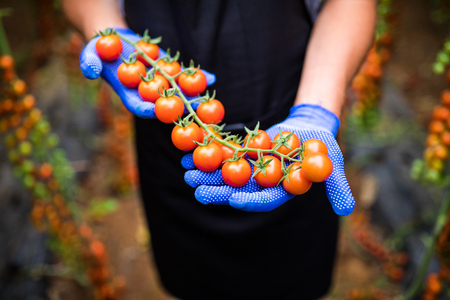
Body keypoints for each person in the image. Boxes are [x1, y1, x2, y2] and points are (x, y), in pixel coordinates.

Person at [62, 1, 376, 299]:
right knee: (191, 279)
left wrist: (316, 110)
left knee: (292, 279)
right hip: (168, 133)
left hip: (292, 121)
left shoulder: (296, 147)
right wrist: (106, 30)